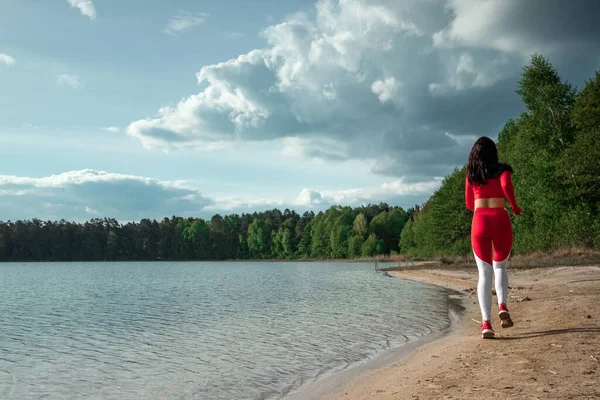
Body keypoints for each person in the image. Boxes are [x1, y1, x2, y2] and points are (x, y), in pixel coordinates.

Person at [465, 136, 521, 339]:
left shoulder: (472, 174)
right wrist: (514, 206)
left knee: (484, 273)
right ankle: (503, 305)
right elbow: (506, 186)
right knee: (500, 267)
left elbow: (469, 205)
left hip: (479, 221)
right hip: (500, 219)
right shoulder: (503, 169)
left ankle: (486, 324)